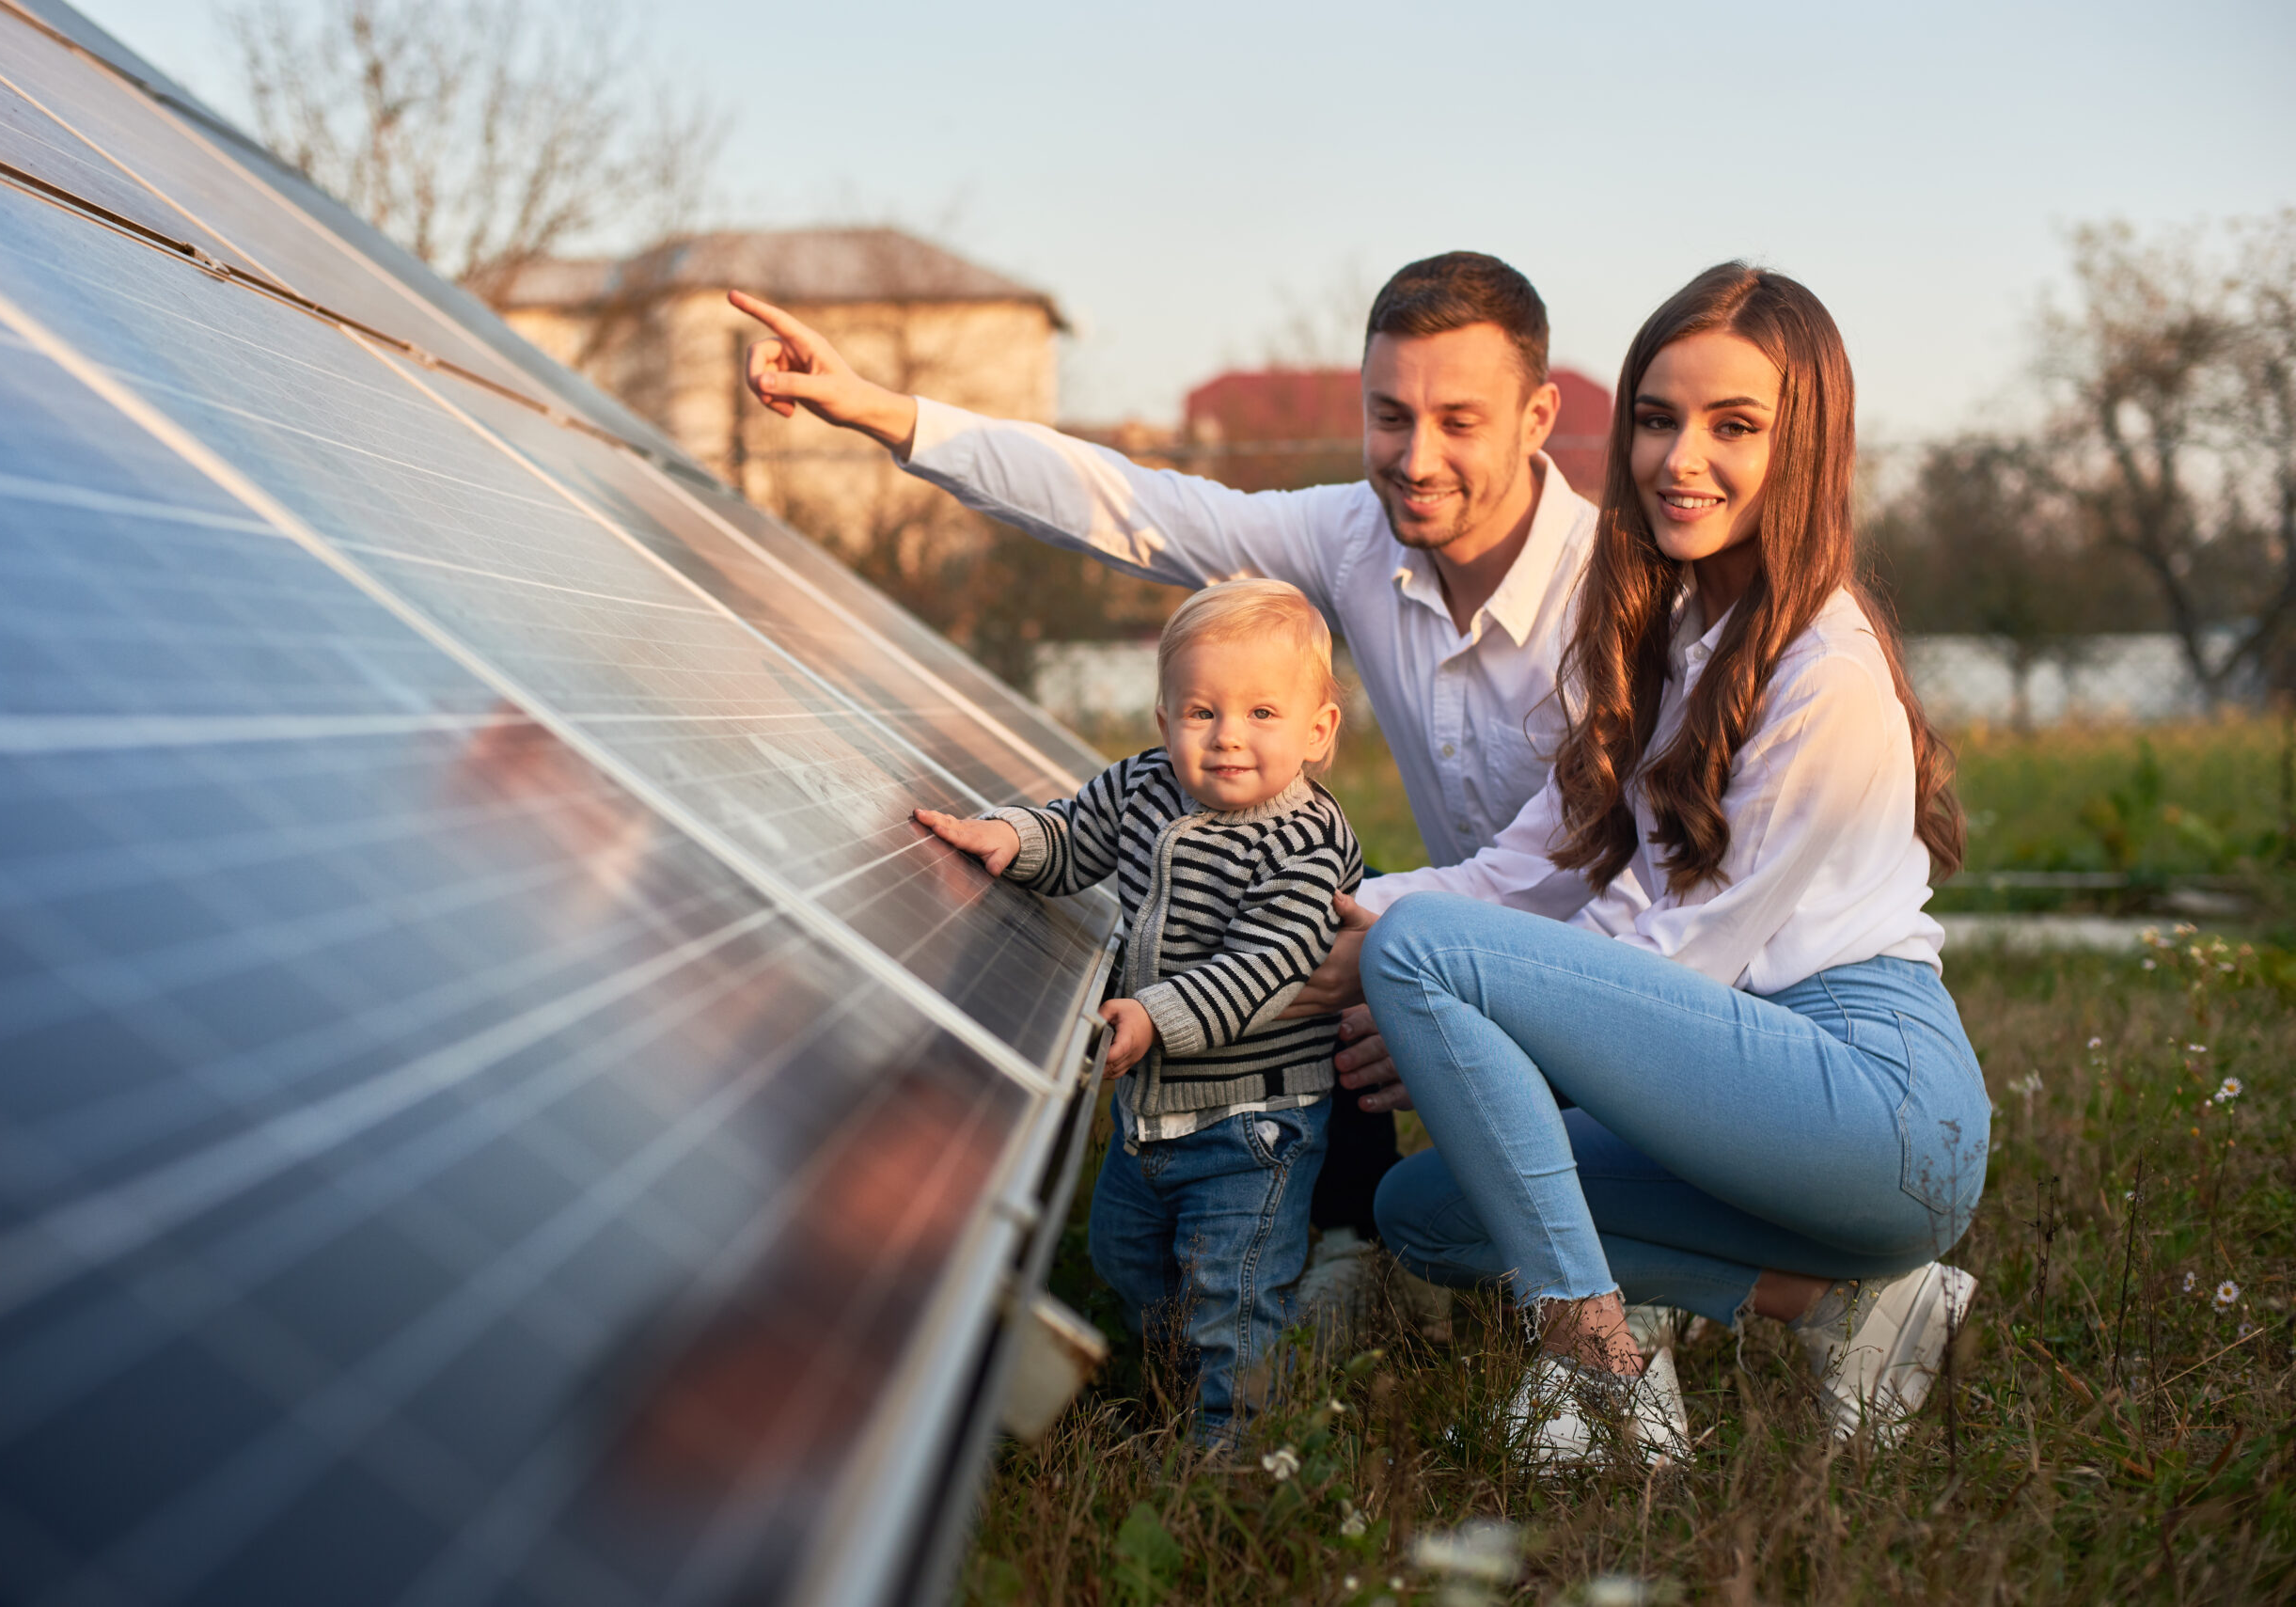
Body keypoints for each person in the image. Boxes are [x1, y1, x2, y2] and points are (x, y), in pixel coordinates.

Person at [731, 253, 1596, 1315]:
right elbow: (1134, 506)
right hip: (1456, 920)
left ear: (1537, 415)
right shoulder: (1354, 537)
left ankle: (1621, 1255)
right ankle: (1348, 1231)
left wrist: (1412, 956)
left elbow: (1620, 876)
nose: (1417, 456)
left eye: (1458, 419)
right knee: (1309, 887)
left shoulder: (1615, 592)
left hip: (1635, 964)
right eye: (1389, 415)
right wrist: (884, 413)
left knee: (1361, 920)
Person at [1339, 263, 1989, 1469]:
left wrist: (1425, 984)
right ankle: (1857, 1309)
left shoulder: (1824, 676)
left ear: (1804, 445)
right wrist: (1337, 920)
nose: (1678, 458)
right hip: (1740, 1079)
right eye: (1655, 417)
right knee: (1423, 1213)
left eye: (1732, 426)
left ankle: (1599, 1372)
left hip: (1873, 1104)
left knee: (1426, 962)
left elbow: (1679, 959)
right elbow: (1527, 866)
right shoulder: (1672, 635)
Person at [918, 580, 1364, 1438]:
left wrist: (1155, 1014)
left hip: (1254, 1125)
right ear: (1163, 719)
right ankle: (1175, 1379)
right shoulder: (1146, 785)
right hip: (1149, 1113)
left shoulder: (1305, 843)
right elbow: (1076, 833)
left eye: (1263, 712)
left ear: (1318, 729)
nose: (1229, 735)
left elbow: (1265, 964)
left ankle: (1229, 1446)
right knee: (1124, 1253)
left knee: (1230, 1289)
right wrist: (1013, 838)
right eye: (1202, 711)